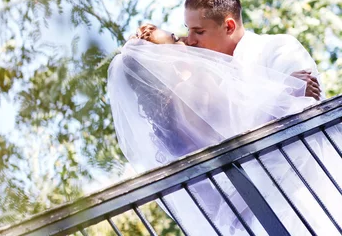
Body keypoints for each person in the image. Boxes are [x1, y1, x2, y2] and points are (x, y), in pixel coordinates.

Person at [109, 24, 342, 235]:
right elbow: (243, 120)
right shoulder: (193, 87)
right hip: (281, 196)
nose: (184, 40)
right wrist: (287, 90)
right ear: (163, 58)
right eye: (174, 39)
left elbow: (206, 196)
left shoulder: (164, 124)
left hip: (247, 218)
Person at [183, 0, 322, 100]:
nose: (190, 40)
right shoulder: (211, 80)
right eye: (188, 30)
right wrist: (285, 92)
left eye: (199, 31)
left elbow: (303, 113)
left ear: (229, 26)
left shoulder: (280, 48)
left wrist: (291, 91)